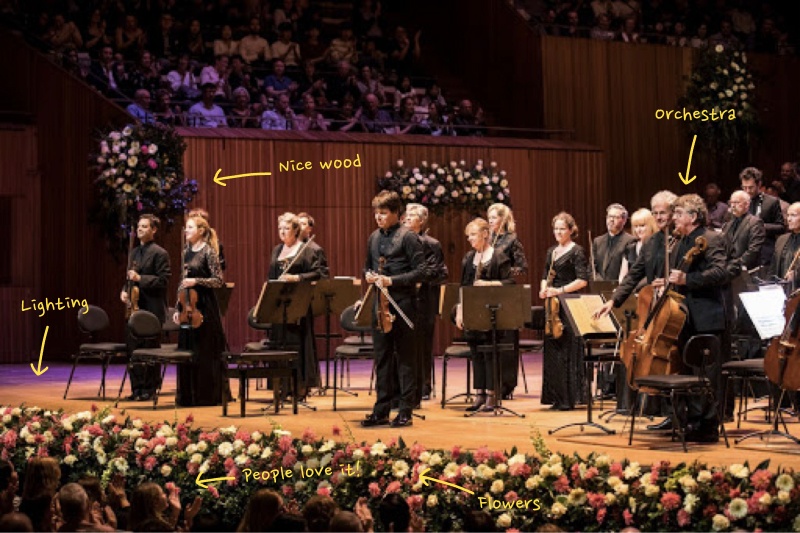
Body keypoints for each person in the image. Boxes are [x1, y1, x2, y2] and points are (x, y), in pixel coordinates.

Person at [664, 194, 728, 442]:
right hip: (685, 316)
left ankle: (709, 425)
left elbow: (721, 272)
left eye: (679, 214)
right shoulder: (682, 241)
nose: (674, 218)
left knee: (707, 374)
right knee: (690, 370)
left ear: (693, 217)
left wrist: (687, 280)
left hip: (707, 316)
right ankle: (694, 420)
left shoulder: (711, 238)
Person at [360, 191, 425, 428]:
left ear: (397, 213)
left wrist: (392, 281)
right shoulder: (373, 238)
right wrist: (368, 277)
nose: (378, 217)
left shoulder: (408, 237)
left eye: (383, 213)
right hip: (380, 305)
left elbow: (421, 272)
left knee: (405, 359)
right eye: (376, 213)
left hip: (403, 303)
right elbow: (367, 267)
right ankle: (381, 410)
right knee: (383, 358)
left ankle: (405, 410)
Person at [454, 218, 514, 412]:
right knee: (476, 352)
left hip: (492, 313)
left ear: (485, 234)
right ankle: (479, 393)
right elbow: (463, 287)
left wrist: (489, 284)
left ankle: (492, 394)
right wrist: (460, 311)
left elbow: (510, 284)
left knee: (490, 352)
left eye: (473, 235)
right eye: (468, 236)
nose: (470, 239)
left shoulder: (498, 256)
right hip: (473, 311)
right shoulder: (468, 258)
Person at [267, 212, 327, 397]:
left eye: (286, 228)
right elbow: (271, 276)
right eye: (280, 228)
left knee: (298, 344)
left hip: (298, 304)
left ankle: (299, 386)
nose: (282, 232)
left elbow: (319, 273)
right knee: (280, 343)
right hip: (280, 304)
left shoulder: (306, 249)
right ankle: (282, 386)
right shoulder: (277, 250)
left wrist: (297, 277)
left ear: (295, 230)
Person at [172, 215, 226, 406]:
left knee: (204, 351)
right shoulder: (186, 251)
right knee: (188, 350)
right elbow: (181, 280)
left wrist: (196, 281)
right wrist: (178, 307)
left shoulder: (208, 251)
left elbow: (218, 280)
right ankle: (189, 396)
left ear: (201, 231)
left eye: (190, 227)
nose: (186, 231)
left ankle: (206, 396)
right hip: (187, 306)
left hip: (204, 306)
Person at [540, 212, 590, 410]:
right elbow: (545, 274)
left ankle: (569, 398)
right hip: (552, 305)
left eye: (562, 229)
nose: (558, 232)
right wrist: (543, 288)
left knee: (567, 349)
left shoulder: (577, 251)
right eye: (556, 229)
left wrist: (559, 291)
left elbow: (582, 280)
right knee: (553, 350)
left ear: (570, 230)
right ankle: (556, 397)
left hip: (569, 303)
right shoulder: (551, 252)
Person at [120, 214, 171, 402]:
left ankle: (150, 389)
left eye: (144, 226)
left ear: (154, 230)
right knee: (133, 350)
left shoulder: (160, 253)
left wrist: (140, 279)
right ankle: (137, 388)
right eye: (139, 226)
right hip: (134, 309)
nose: (139, 229)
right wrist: (124, 291)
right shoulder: (133, 253)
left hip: (151, 310)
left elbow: (163, 281)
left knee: (150, 350)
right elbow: (128, 279)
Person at [404, 204, 448, 402]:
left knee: (423, 344)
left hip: (424, 301)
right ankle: (406, 385)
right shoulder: (401, 241)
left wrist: (416, 277)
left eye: (411, 216)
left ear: (422, 221)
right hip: (405, 298)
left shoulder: (432, 244)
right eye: (406, 215)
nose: (406, 219)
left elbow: (439, 271)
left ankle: (424, 386)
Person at [487, 203, 528, 398]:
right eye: (489, 218)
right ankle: (491, 383)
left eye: (494, 218)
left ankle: (507, 384)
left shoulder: (512, 240)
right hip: (489, 294)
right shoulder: (487, 240)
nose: (490, 222)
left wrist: (502, 274)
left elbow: (522, 268)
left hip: (507, 294)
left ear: (503, 220)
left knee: (507, 339)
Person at [592, 203, 635, 281]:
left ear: (624, 220)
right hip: (599, 287)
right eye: (609, 216)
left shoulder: (630, 241)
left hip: (618, 287)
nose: (611, 220)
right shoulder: (597, 241)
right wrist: (599, 281)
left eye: (615, 217)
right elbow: (592, 268)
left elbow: (631, 269)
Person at [618, 208, 659, 283]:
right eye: (636, 226)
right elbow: (623, 276)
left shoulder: (658, 246)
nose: (638, 230)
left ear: (651, 225)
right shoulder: (630, 247)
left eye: (642, 225)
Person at [771, 202, 800, 293]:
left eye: (793, 215)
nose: (789, 219)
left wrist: (796, 275)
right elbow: (773, 267)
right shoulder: (782, 239)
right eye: (788, 215)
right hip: (782, 291)